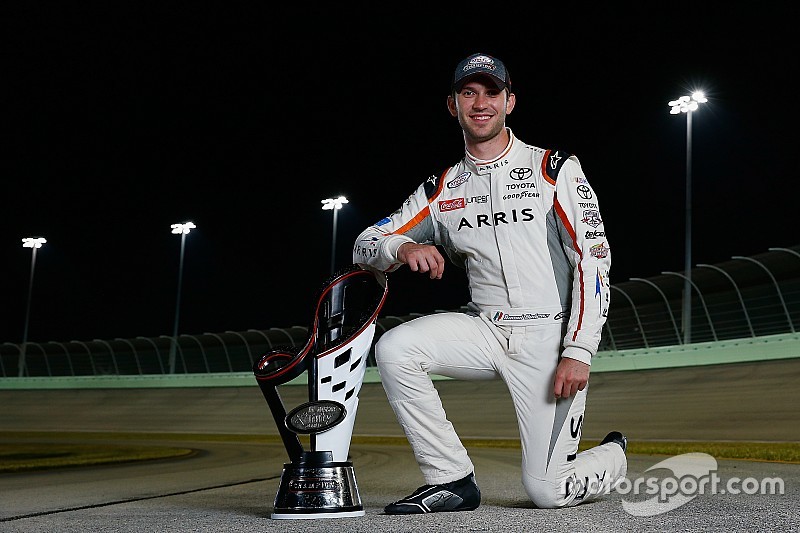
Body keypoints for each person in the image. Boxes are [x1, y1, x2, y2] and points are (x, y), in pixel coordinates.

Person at [352, 52, 627, 514]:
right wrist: (400, 248)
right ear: (452, 105)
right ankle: (451, 479)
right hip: (485, 330)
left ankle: (613, 455)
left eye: (491, 93)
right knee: (396, 348)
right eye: (468, 93)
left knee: (547, 490)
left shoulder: (553, 169)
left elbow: (593, 260)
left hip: (548, 337)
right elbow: (365, 243)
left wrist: (579, 350)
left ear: (510, 102)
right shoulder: (440, 189)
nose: (481, 103)